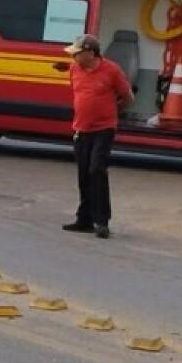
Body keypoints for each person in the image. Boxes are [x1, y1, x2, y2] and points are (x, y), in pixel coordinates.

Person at [62, 33, 133, 239]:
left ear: (91, 53)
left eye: (77, 53)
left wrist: (112, 111)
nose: (73, 57)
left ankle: (101, 221)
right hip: (81, 128)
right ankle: (84, 219)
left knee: (96, 170)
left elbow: (128, 97)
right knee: (84, 173)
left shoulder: (111, 70)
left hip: (104, 129)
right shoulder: (75, 69)